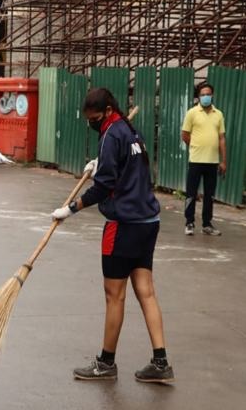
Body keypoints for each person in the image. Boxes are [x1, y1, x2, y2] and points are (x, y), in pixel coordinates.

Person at [51, 87, 174, 384]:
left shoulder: (111, 134)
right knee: (146, 291)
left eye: (94, 119)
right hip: (148, 221)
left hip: (124, 224)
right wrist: (101, 165)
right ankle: (160, 362)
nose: (92, 124)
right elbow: (126, 171)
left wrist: (71, 208)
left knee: (114, 295)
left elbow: (104, 187)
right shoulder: (131, 132)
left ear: (107, 111)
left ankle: (106, 362)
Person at [181, 83, 227, 236]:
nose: (205, 97)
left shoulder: (218, 114)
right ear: (198, 96)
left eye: (208, 94)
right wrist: (196, 145)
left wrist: (223, 161)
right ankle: (189, 223)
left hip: (213, 161)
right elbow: (185, 134)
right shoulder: (192, 113)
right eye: (202, 94)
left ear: (212, 95)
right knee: (191, 193)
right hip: (196, 160)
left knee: (209, 195)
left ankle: (207, 224)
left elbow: (222, 138)